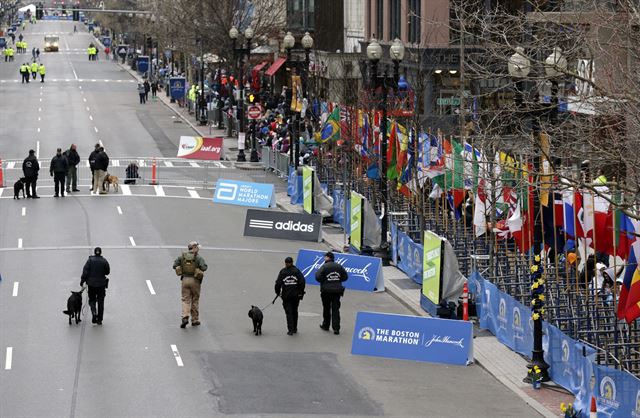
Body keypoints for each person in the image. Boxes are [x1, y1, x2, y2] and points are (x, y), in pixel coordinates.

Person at [173, 241, 208, 328]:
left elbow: (174, 265)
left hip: (185, 280)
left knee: (185, 299)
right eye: (197, 247)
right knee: (195, 299)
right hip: (195, 281)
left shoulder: (182, 256)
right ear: (195, 248)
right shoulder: (198, 258)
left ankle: (185, 316)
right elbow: (204, 267)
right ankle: (194, 320)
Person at [315, 251, 348, 335]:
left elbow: (317, 277)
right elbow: (345, 277)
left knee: (326, 308)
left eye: (325, 257)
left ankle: (326, 325)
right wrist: (337, 280)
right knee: (335, 309)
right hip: (337, 291)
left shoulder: (324, 266)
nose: (324, 258)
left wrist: (325, 281)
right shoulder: (339, 266)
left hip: (326, 290)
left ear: (328, 258)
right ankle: (336, 328)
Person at [275, 257, 306, 335]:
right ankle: (294, 328)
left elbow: (278, 284)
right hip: (296, 296)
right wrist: (300, 292)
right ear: (292, 262)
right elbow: (302, 282)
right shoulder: (297, 271)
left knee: (289, 312)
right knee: (294, 311)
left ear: (285, 263)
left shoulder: (283, 272)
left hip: (286, 296)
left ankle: (291, 329)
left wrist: (278, 292)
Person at [80, 247, 110, 325]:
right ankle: (99, 319)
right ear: (100, 252)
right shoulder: (104, 261)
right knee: (101, 302)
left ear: (94, 252)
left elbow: (85, 271)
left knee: (92, 299)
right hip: (101, 285)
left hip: (91, 284)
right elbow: (107, 272)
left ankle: (93, 311)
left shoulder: (90, 260)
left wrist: (82, 281)